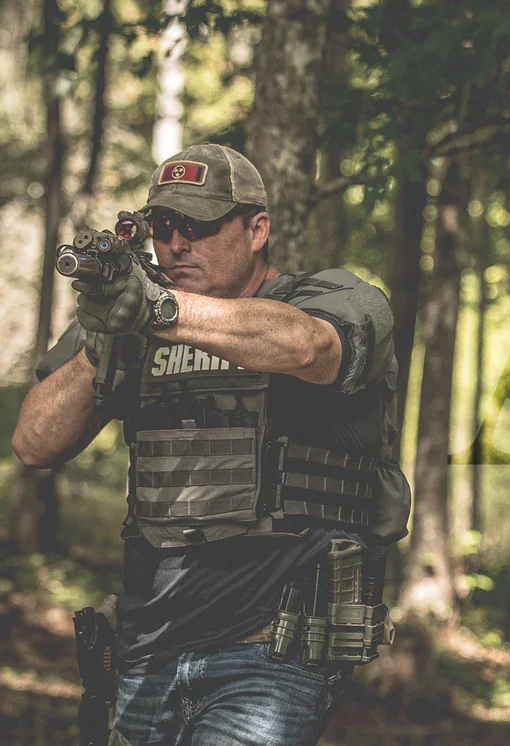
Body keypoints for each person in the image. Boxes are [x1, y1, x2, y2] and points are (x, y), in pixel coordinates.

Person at [10, 143, 411, 746]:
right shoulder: (133, 323)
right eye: (163, 227)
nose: (175, 244)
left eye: (196, 226)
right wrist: (104, 341)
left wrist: (159, 309)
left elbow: (309, 347)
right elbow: (33, 442)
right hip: (147, 650)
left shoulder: (332, 298)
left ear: (257, 229)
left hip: (272, 654)